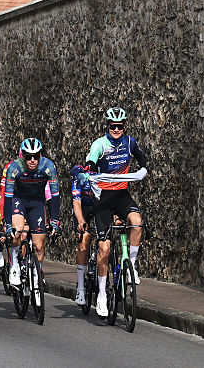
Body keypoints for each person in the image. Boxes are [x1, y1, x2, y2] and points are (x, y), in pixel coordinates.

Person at [80, 107, 149, 317]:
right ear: (108, 126)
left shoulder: (129, 142)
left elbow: (141, 158)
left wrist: (143, 169)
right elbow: (90, 163)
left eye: (120, 126)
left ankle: (132, 267)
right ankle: (101, 295)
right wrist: (90, 175)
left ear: (125, 126)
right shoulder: (100, 144)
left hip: (121, 195)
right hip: (102, 199)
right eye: (113, 126)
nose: (116, 129)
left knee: (136, 222)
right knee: (105, 248)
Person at [4, 138, 60, 288]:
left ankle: (37, 274)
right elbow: (8, 197)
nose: (33, 160)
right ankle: (15, 264)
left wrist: (55, 220)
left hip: (37, 203)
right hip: (18, 200)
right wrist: (8, 224)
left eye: (36, 156)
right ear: (23, 156)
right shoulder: (14, 168)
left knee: (38, 245)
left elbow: (55, 196)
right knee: (17, 232)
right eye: (29, 157)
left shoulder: (48, 166)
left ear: (40, 155)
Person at [70, 159, 97, 306]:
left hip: (99, 206)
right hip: (83, 207)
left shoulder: (108, 172)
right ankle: (80, 288)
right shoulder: (79, 173)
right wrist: (81, 221)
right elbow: (76, 202)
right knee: (85, 239)